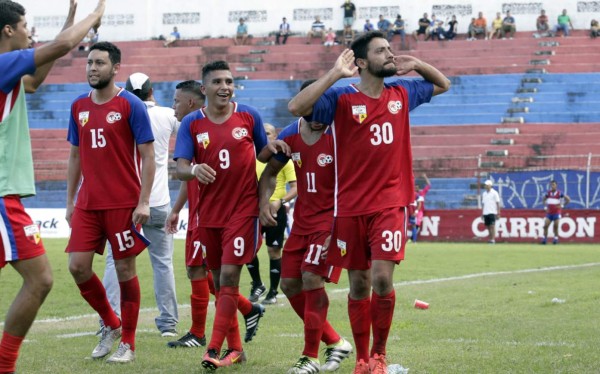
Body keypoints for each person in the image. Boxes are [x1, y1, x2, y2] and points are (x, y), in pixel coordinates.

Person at [288, 31, 450, 373]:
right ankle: (361, 359)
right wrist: (334, 74)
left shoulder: (402, 91)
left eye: (390, 49)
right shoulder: (341, 97)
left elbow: (443, 84)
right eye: (381, 51)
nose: (390, 54)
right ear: (361, 62)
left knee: (381, 279)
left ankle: (379, 355)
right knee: (359, 283)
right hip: (349, 208)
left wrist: (417, 63)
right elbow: (296, 107)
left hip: (391, 204)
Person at [0, 1, 105, 372]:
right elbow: (59, 47)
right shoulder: (1, 63)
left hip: (4, 194)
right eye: (25, 25)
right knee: (40, 279)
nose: (30, 31)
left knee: (39, 279)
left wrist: (69, 24)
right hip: (0, 196)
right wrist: (95, 16)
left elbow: (34, 81)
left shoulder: (11, 73)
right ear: (9, 30)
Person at [173, 60, 289, 370]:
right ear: (204, 89)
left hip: (243, 210)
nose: (225, 86)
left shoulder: (248, 115)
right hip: (208, 214)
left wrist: (274, 146)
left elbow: (263, 154)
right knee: (217, 281)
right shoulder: (191, 124)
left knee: (228, 278)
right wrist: (195, 169)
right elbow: (179, 168)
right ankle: (236, 347)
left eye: (229, 81)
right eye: (218, 82)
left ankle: (213, 348)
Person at [65, 41, 155, 364]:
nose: (92, 68)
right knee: (77, 266)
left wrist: (143, 202)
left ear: (116, 68)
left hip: (123, 203)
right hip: (88, 203)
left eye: (100, 63)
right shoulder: (78, 106)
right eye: (89, 62)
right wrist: (70, 201)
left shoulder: (131, 104)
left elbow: (148, 156)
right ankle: (112, 324)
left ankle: (128, 343)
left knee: (125, 269)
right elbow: (74, 156)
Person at [259, 80, 352, 374]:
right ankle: (335, 341)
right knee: (289, 285)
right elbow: (268, 168)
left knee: (311, 278)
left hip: (330, 221)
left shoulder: (342, 134)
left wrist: (341, 228)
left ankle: (309, 357)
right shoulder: (291, 133)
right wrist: (264, 202)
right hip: (302, 223)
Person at [166, 80, 266, 349]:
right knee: (208, 273)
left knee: (202, 270)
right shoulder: (192, 131)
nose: (174, 106)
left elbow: (263, 154)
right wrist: (177, 210)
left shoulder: (230, 121)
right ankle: (246, 314)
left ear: (190, 102)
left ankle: (201, 335)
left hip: (218, 215)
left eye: (176, 101)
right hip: (200, 214)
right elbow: (188, 177)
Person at [98, 72, 179, 338]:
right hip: (158, 202)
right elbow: (190, 130)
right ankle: (168, 323)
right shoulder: (167, 114)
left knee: (114, 260)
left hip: (126, 202)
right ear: (152, 91)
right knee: (163, 263)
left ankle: (111, 319)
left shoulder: (120, 113)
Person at [247, 124, 297, 304]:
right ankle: (257, 284)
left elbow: (295, 187)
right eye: (262, 134)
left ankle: (273, 293)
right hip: (253, 210)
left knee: (273, 251)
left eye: (268, 133)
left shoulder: (285, 159)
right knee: (249, 249)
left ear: (275, 135)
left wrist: (281, 201)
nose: (264, 136)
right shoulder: (252, 158)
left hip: (276, 210)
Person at [541, 180, 570, 245]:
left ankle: (556, 239)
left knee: (556, 226)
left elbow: (568, 199)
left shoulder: (559, 193)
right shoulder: (548, 193)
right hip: (549, 213)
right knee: (545, 226)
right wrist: (545, 207)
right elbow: (543, 199)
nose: (552, 186)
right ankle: (544, 239)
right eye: (551, 185)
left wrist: (562, 205)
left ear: (556, 185)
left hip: (556, 213)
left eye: (553, 185)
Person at [409, 174, 431, 243]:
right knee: (413, 225)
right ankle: (411, 239)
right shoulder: (411, 194)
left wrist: (425, 177)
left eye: (417, 187)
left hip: (419, 211)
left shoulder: (422, 193)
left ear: (418, 188)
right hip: (411, 210)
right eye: (415, 187)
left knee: (417, 224)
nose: (416, 188)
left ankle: (412, 239)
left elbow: (429, 185)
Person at [481, 180, 500, 244]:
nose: (485, 186)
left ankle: (493, 239)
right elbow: (483, 204)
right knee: (488, 227)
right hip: (486, 212)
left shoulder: (495, 193)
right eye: (485, 185)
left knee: (492, 226)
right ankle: (490, 239)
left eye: (487, 185)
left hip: (492, 212)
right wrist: (482, 213)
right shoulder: (484, 194)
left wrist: (498, 212)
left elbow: (497, 203)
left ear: (490, 185)